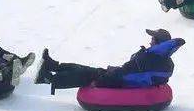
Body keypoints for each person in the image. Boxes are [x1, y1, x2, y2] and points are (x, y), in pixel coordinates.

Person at [34, 28, 185, 95]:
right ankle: (53, 65)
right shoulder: (165, 62)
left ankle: (50, 78)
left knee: (87, 75)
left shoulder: (149, 58)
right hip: (123, 77)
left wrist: (102, 81)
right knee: (89, 69)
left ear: (158, 42)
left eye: (153, 38)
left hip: (121, 81)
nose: (150, 41)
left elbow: (127, 73)